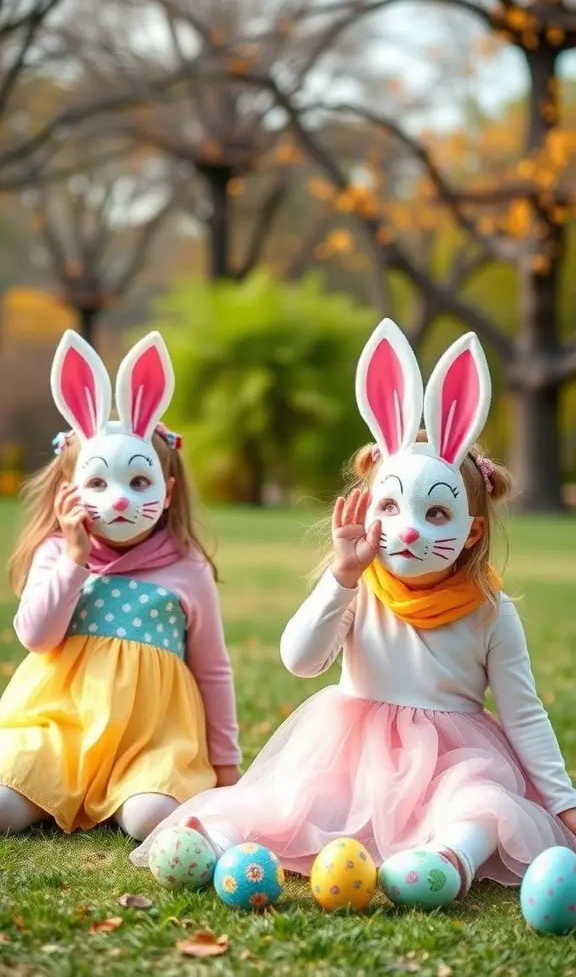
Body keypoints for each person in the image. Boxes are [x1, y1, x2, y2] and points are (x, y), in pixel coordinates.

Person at [131, 319, 576, 903]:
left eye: (436, 516)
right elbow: (301, 660)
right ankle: (213, 840)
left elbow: (523, 714)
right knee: (296, 801)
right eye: (390, 506)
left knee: (479, 805)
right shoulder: (358, 584)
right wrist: (341, 576)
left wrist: (564, 803)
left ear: (473, 531)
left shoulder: (489, 612)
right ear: (369, 512)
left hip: (450, 760)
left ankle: (445, 863)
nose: (408, 531)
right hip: (348, 746)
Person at [0, 330, 241, 840]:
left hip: (150, 744)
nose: (120, 501)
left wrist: (225, 768)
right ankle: (54, 792)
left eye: (139, 483)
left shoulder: (187, 569)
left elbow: (213, 670)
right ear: (70, 492)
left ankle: (126, 796)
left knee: (151, 819)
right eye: (97, 484)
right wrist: (74, 560)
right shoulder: (56, 553)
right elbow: (36, 637)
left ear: (168, 490)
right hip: (60, 734)